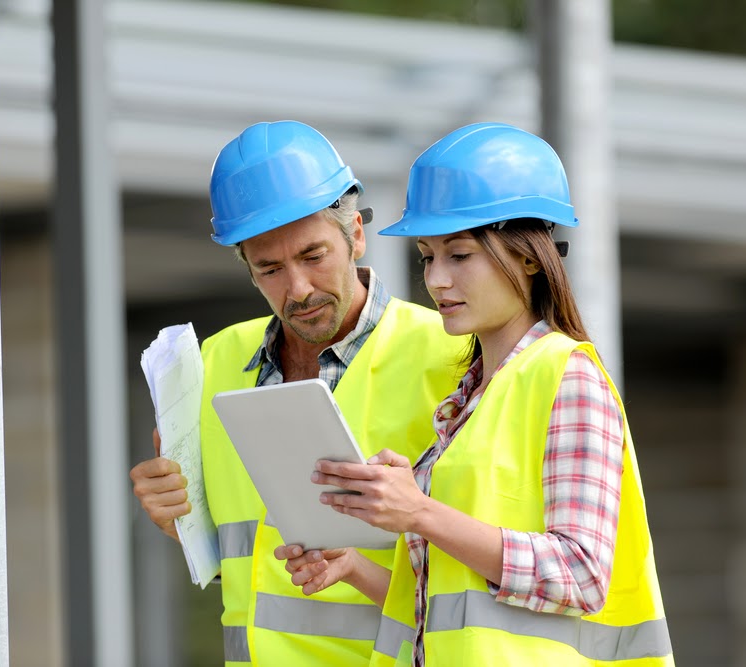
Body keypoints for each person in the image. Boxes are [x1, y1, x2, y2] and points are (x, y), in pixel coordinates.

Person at [276, 123, 674, 666]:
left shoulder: (567, 375)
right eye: (427, 257)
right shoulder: (466, 404)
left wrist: (419, 512)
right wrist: (353, 565)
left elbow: (580, 575)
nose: (436, 279)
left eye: (459, 256)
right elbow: (454, 614)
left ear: (530, 257)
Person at [129, 120, 466, 667]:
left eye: (313, 256)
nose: (299, 289)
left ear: (356, 234)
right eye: (270, 268)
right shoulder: (212, 365)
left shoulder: (452, 358)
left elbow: (473, 577)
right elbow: (234, 551)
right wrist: (178, 518)